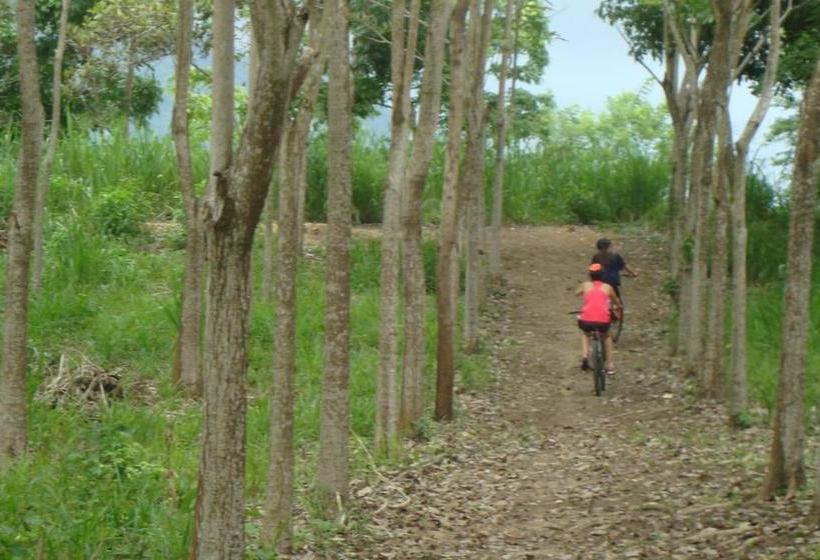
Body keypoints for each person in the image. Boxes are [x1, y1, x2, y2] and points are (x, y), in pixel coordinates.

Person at [576, 263, 621, 375]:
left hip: (586, 320)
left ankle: (585, 356)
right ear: (603, 275)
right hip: (603, 322)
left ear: (590, 275)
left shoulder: (585, 285)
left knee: (586, 334)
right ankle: (610, 365)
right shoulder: (608, 287)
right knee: (607, 336)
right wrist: (618, 307)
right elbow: (617, 302)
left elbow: (576, 293)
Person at [591, 238, 637, 309]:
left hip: (601, 280)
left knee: (601, 295)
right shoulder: (615, 256)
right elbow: (624, 266)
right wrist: (633, 273)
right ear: (609, 247)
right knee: (616, 296)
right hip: (613, 280)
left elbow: (593, 268)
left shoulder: (596, 257)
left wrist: (593, 281)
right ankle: (619, 308)